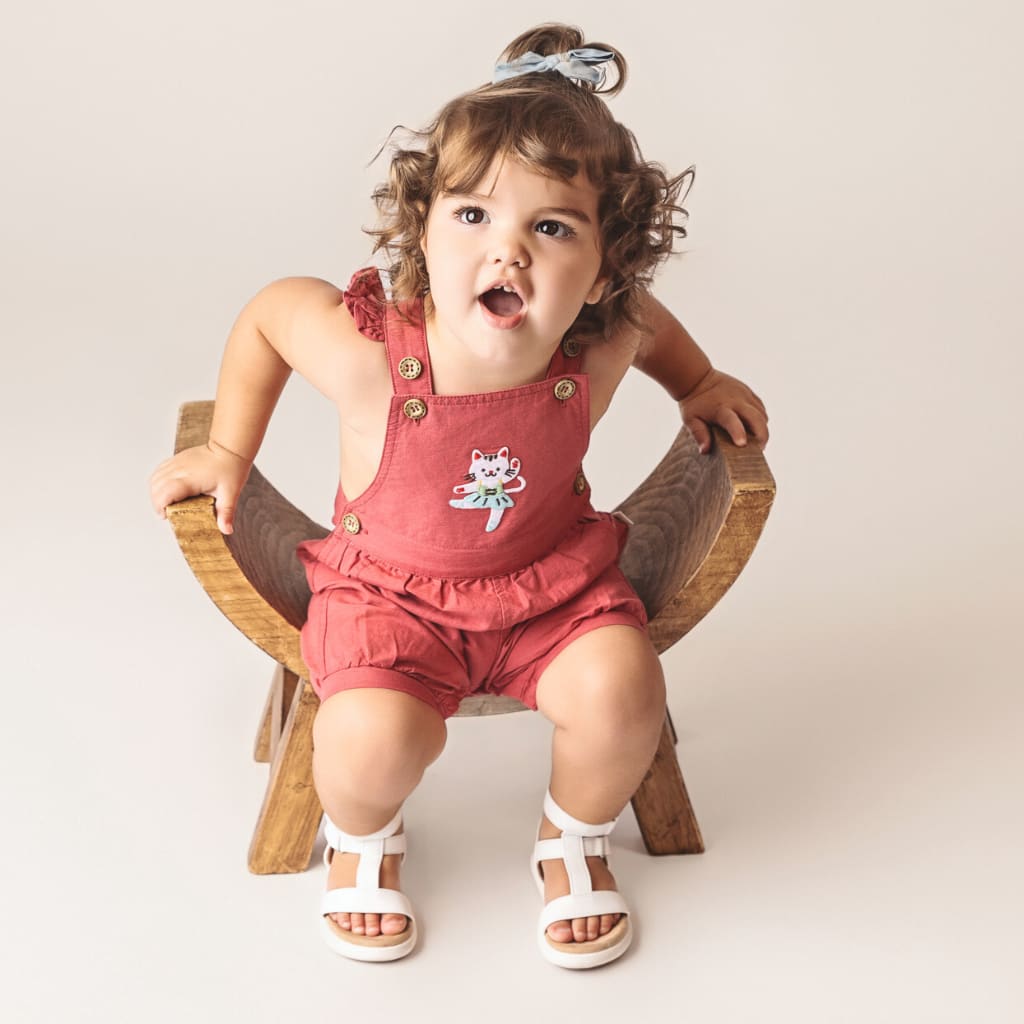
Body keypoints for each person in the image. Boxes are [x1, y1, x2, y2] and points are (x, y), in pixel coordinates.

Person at [150, 23, 768, 970]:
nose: (506, 252)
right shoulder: (371, 358)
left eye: (551, 228)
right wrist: (231, 447)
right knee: (367, 739)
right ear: (424, 229)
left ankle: (572, 836)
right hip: (387, 599)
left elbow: (647, 323)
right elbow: (273, 313)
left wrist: (700, 383)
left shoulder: (597, 345)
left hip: (551, 588)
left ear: (603, 270)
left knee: (624, 691)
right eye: (473, 214)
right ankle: (364, 837)